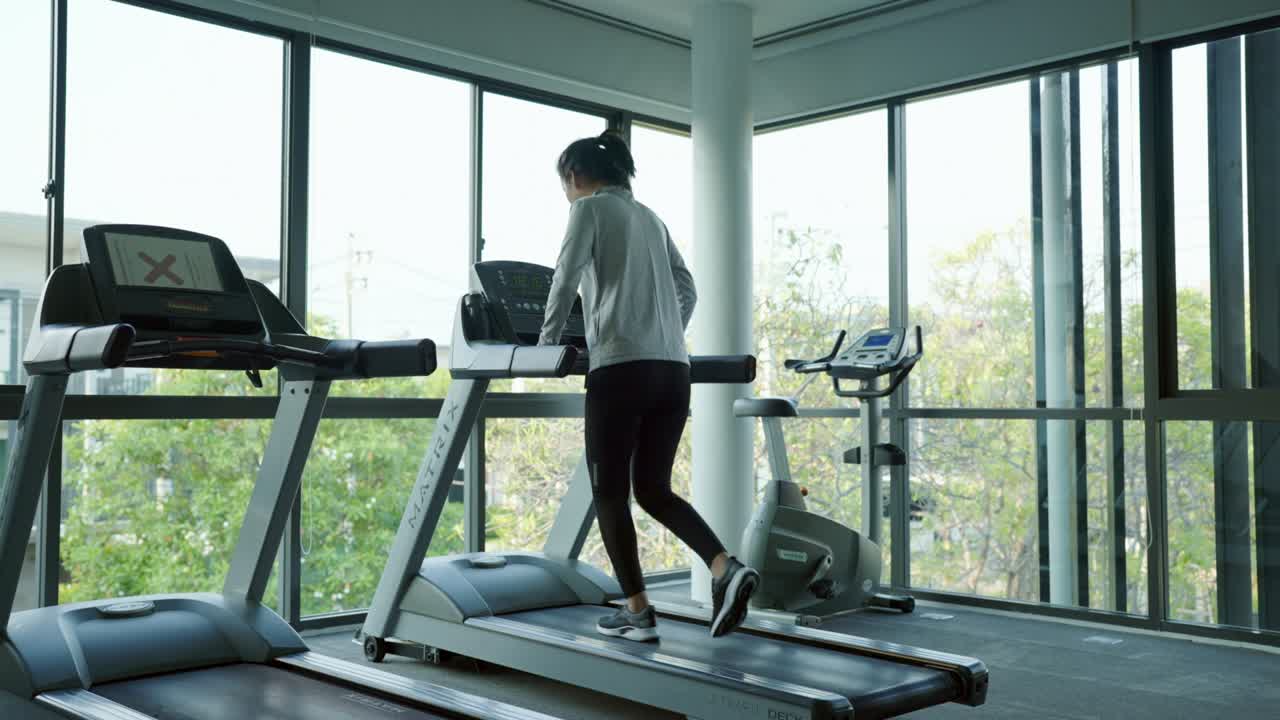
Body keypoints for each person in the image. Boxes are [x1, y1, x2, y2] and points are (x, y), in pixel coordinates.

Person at [539, 130, 759, 642]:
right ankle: (724, 566)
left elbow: (565, 274)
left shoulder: (588, 211)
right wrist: (664, 332)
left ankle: (637, 608)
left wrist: (548, 343)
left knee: (609, 492)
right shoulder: (651, 219)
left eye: (565, 184)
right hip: (673, 371)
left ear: (574, 177)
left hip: (621, 370)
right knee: (653, 489)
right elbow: (687, 288)